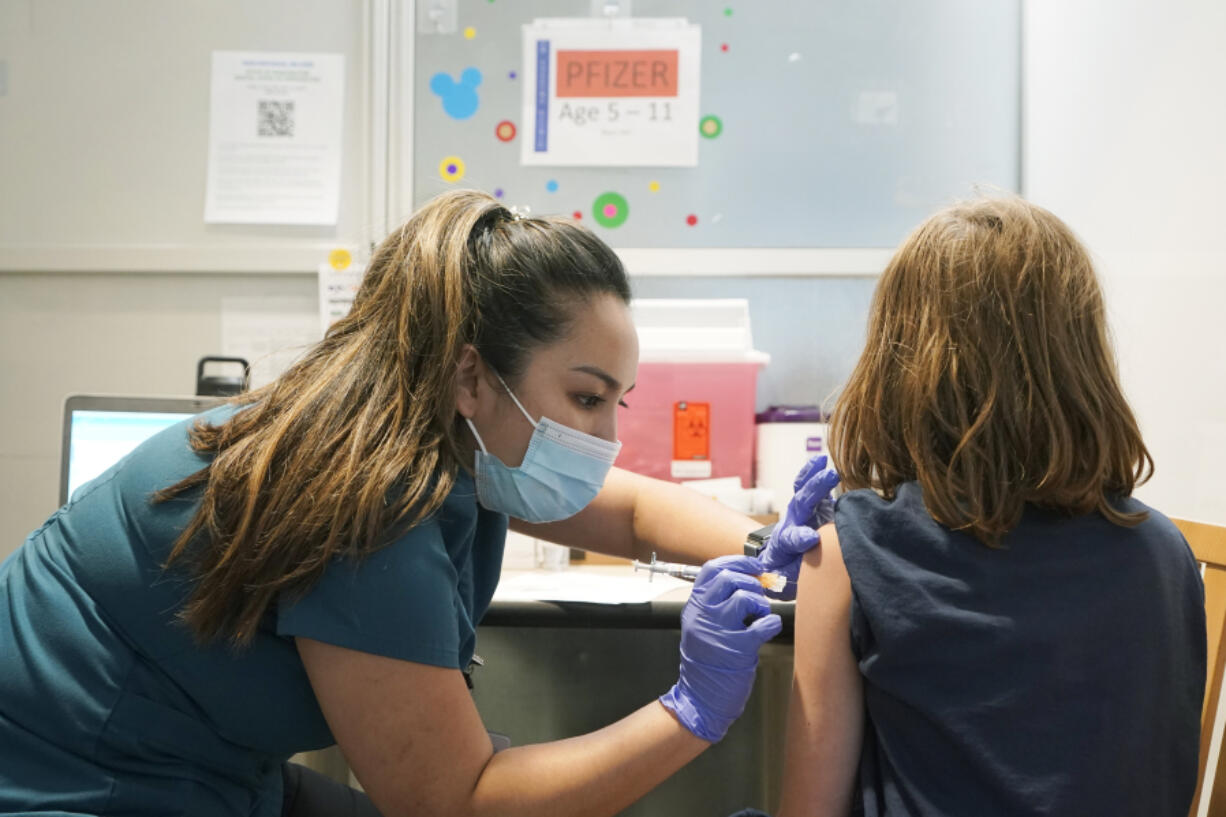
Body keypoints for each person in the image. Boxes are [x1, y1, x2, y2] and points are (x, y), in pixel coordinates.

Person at [0, 190, 838, 817]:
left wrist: (774, 545)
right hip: (80, 777)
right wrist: (688, 712)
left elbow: (629, 510)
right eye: (586, 398)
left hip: (203, 759)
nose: (602, 435)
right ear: (472, 375)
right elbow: (459, 802)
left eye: (616, 403)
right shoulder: (368, 501)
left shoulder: (429, 436)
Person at [773, 197, 1205, 816]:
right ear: (1082, 359)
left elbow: (807, 813)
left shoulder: (848, 556)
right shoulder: (1165, 551)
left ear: (898, 361)